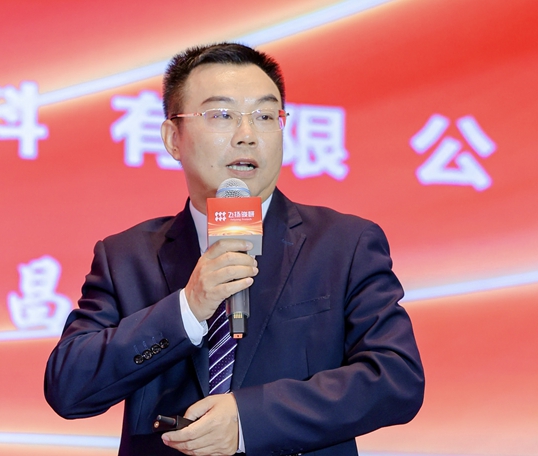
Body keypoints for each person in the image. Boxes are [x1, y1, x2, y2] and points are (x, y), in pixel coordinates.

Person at [44, 42, 424, 456]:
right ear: (173, 137)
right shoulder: (127, 257)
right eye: (222, 115)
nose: (247, 136)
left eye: (265, 116)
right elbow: (69, 388)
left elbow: (395, 378)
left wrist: (248, 421)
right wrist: (187, 309)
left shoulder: (344, 244)